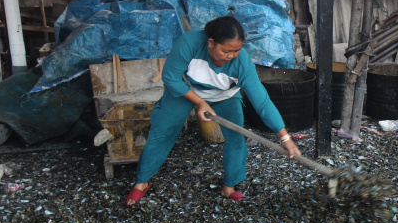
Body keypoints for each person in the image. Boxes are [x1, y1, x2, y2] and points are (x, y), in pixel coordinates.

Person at [125, 15, 300, 206]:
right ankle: (141, 182)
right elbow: (170, 78)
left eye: (237, 50)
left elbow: (262, 103)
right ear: (211, 43)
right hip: (185, 90)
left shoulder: (242, 64)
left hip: (225, 96)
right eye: (226, 50)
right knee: (163, 130)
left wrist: (285, 138)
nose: (231, 55)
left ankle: (229, 187)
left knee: (235, 137)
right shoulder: (189, 44)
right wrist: (200, 103)